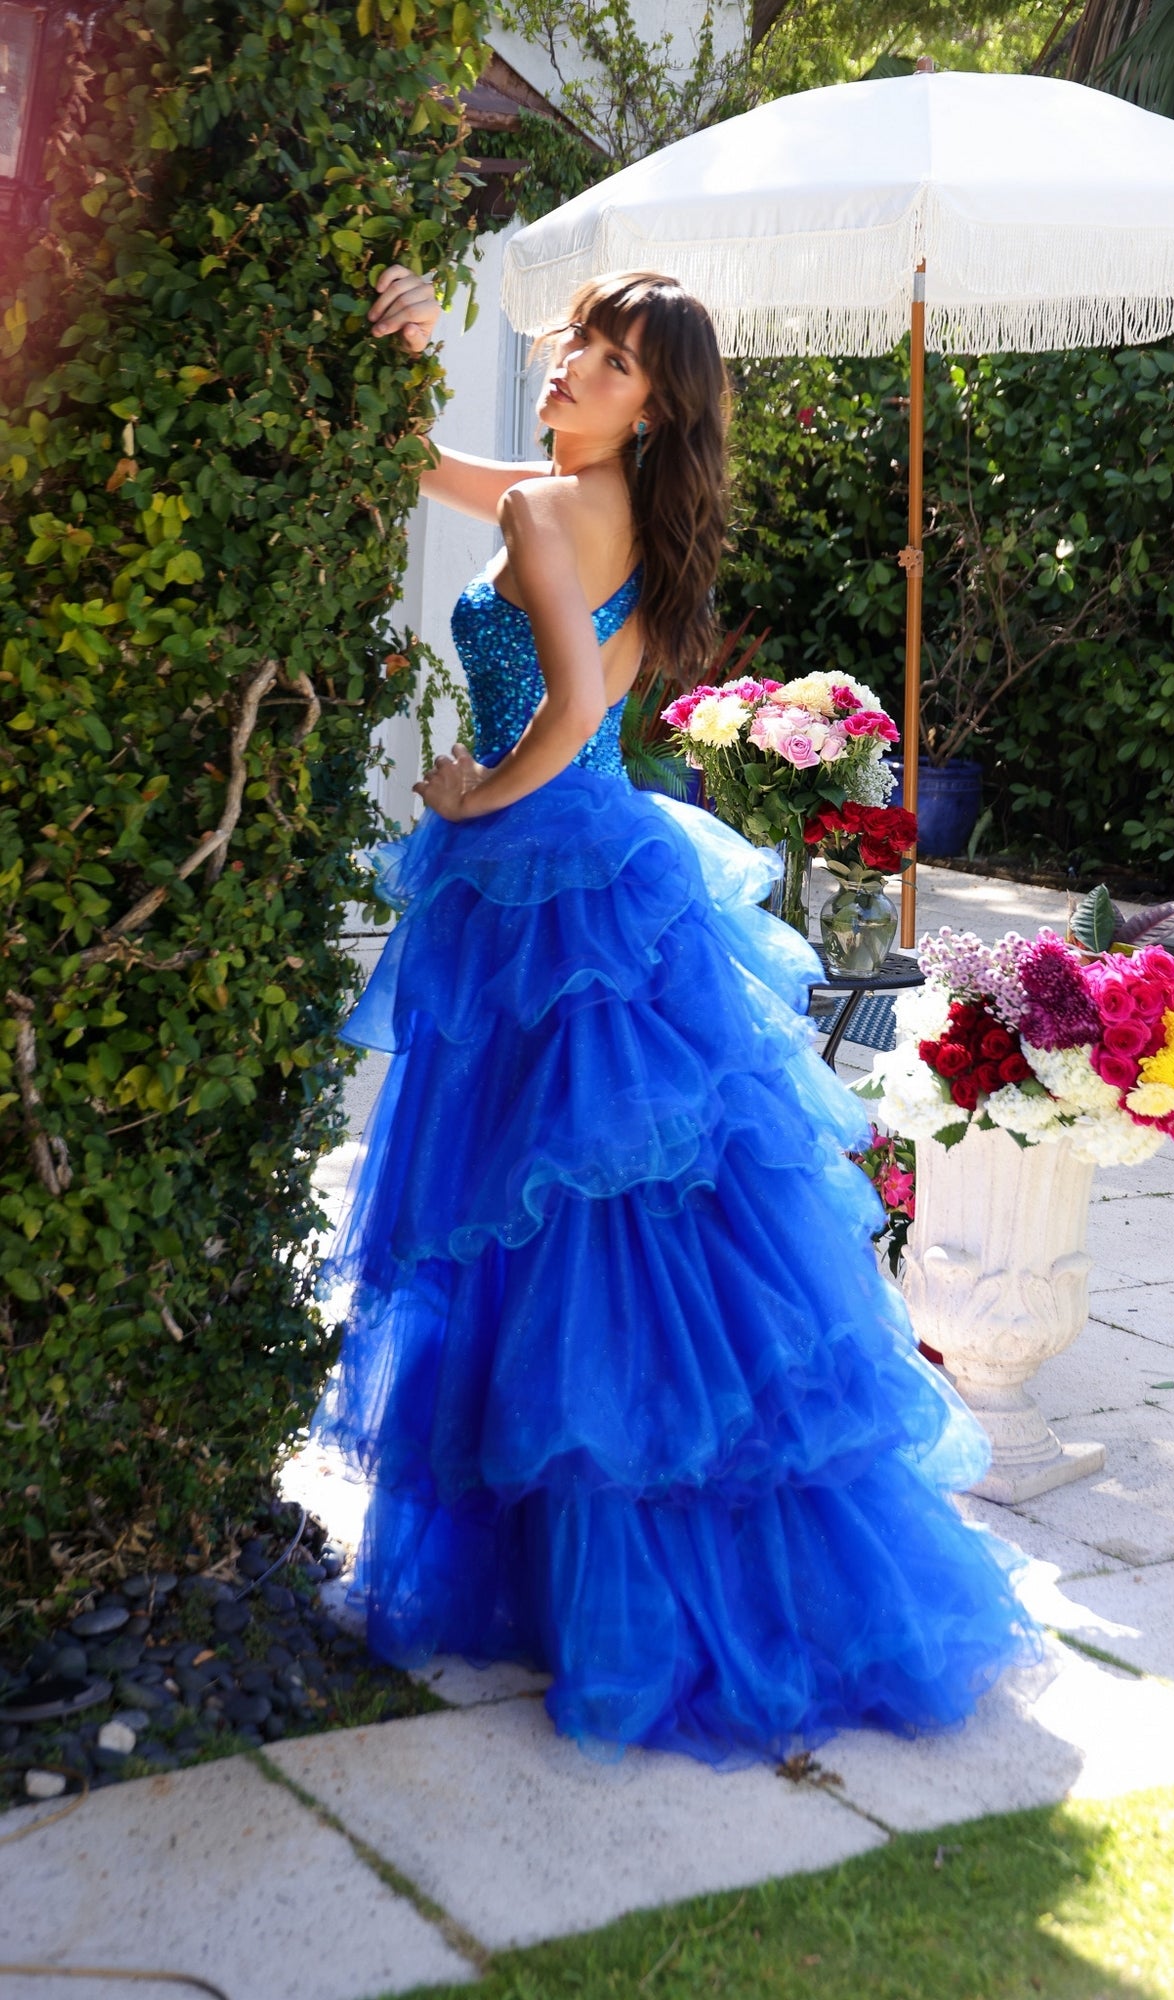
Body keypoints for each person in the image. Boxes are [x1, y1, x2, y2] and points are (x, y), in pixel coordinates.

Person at [311, 264, 1038, 1767]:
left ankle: (603, 1592)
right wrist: (395, 346)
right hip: (610, 864)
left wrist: (464, 793)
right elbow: (427, 465)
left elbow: (569, 716)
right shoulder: (606, 501)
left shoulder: (541, 510)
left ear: (653, 402)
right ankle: (622, 1570)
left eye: (607, 357)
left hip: (538, 868)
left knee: (546, 1223)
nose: (571, 366)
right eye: (577, 341)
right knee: (617, 1230)